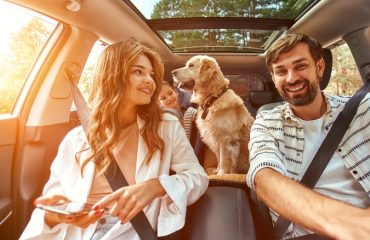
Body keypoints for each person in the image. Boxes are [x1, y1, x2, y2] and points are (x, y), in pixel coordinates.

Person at [20, 39, 208, 240]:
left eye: (152, 74)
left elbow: (198, 177)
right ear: (112, 75)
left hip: (130, 230)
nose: (150, 81)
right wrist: (58, 216)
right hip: (76, 234)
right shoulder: (75, 139)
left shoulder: (166, 126)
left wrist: (157, 186)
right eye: (138, 72)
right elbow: (51, 206)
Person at [246, 33, 370, 239]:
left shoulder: (363, 109)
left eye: (300, 66)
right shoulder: (267, 123)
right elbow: (263, 176)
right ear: (274, 79)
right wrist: (354, 225)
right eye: (281, 71)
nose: (291, 78)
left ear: (319, 67)